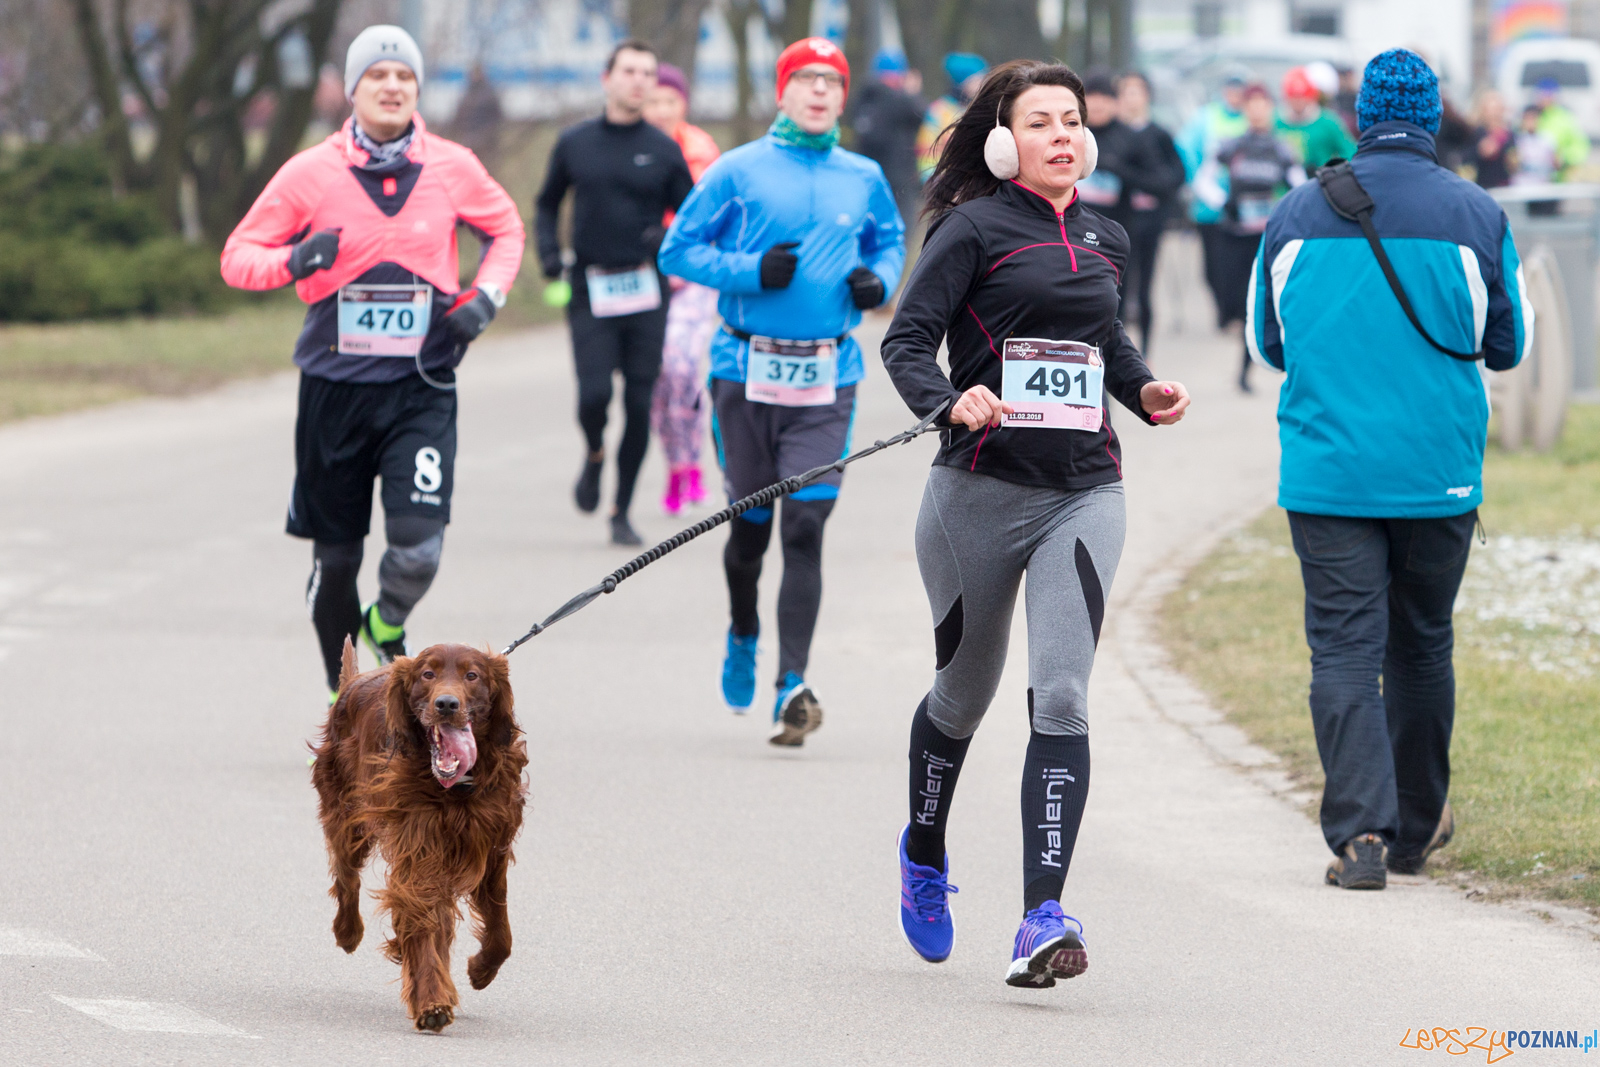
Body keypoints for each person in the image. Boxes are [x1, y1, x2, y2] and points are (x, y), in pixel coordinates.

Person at [879, 60, 1191, 985]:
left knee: (1060, 695)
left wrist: (1141, 388)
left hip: (1085, 491)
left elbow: (1103, 341)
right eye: (1042, 122)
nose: (1062, 135)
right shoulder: (970, 227)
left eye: (1073, 121)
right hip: (977, 493)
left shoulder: (1107, 235)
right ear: (1008, 141)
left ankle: (1040, 915)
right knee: (963, 697)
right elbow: (906, 340)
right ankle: (925, 855)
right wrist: (948, 400)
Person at [1245, 48, 1531, 890]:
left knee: (1341, 649)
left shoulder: (1297, 213)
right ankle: (1412, 832)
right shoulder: (1478, 214)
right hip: (1436, 471)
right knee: (1421, 644)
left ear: (1363, 115)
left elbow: (1268, 342)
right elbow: (1507, 347)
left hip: (1329, 473)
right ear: (1434, 117)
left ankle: (1359, 838)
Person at [220, 25, 525, 697]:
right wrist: (293, 261)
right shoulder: (310, 171)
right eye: (377, 75)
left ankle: (387, 623)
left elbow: (506, 230)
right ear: (354, 89)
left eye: (405, 77)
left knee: (418, 549)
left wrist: (486, 298)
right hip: (335, 389)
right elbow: (237, 257)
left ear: (417, 90)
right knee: (337, 562)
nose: (392, 86)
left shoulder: (453, 166)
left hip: (421, 386)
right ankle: (347, 696)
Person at [658, 36, 906, 744]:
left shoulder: (863, 175)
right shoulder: (738, 171)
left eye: (833, 81)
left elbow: (888, 241)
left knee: (805, 524)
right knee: (752, 528)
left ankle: (790, 683)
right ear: (783, 91)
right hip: (745, 372)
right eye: (807, 80)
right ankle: (743, 630)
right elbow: (678, 249)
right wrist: (747, 270)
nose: (821, 92)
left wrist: (879, 280)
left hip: (829, 375)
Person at [536, 40, 694, 546]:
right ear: (607, 78)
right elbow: (546, 204)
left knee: (640, 400)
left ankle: (620, 508)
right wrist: (548, 258)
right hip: (590, 287)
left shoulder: (664, 149)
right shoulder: (575, 142)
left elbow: (692, 220)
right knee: (595, 395)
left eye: (648, 72)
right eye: (629, 71)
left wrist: (667, 240)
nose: (639, 80)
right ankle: (593, 451)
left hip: (647, 289)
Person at [643, 63, 722, 517]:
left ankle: (694, 463)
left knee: (681, 367)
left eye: (668, 101)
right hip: (646, 280)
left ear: (682, 104)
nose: (659, 110)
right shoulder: (633, 146)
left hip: (692, 278)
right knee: (657, 380)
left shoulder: (700, 149)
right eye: (652, 101)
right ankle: (675, 467)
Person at [1194, 82, 1304, 392]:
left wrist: (1284, 216)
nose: (1257, 110)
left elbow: (1301, 187)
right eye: (1251, 104)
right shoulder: (1232, 145)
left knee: (1263, 301)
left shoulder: (1281, 148)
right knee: (1234, 300)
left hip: (1266, 240)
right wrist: (1221, 202)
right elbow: (1203, 178)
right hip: (1233, 235)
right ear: (1244, 109)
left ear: (1271, 108)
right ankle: (1247, 358)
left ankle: (1246, 369)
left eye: (1263, 104)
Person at [1107, 71, 1184, 353]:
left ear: (1147, 96)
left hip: (1150, 221)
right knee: (1117, 289)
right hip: (1115, 222)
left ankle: (1145, 353)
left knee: (1145, 287)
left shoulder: (1159, 134)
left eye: (1136, 91)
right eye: (1125, 92)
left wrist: (1138, 179)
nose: (1131, 98)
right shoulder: (1109, 133)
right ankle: (1115, 351)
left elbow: (1175, 176)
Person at [1175, 67, 1249, 332]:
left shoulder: (1252, 118)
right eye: (1231, 90)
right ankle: (1223, 310)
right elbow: (1185, 151)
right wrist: (1195, 186)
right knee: (1212, 268)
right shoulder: (1205, 118)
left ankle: (1237, 314)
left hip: (1245, 211)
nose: (1235, 96)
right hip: (1209, 209)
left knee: (1240, 266)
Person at [850, 49, 927, 231]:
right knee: (898, 233)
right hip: (898, 179)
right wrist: (913, 92)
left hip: (866, 176)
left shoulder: (863, 97)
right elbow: (921, 113)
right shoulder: (900, 99)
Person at [918, 52, 987, 181]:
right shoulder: (939, 111)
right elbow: (927, 152)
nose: (981, 84)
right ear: (962, 83)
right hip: (948, 186)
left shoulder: (982, 108)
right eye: (977, 79)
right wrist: (935, 182)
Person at [1276, 66, 1355, 170]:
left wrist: (1334, 170)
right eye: (1293, 97)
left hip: (1320, 181)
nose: (1298, 101)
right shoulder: (1276, 121)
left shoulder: (1328, 122)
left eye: (1301, 96)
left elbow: (1350, 152)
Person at [1470, 88, 1514, 189]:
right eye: (1491, 109)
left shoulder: (1509, 134)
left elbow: (1513, 162)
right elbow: (1466, 160)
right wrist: (1480, 152)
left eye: (1497, 109)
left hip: (1504, 188)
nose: (1495, 113)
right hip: (1482, 187)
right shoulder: (1476, 133)